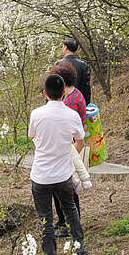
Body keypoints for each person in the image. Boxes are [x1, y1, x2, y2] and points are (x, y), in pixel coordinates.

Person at [29, 73, 88, 255]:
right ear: (64, 92)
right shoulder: (71, 115)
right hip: (63, 174)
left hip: (41, 175)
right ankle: (79, 247)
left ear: (45, 93)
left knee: (45, 217)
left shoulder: (36, 114)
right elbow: (80, 137)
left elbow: (33, 136)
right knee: (70, 209)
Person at [48, 62, 86, 237]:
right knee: (63, 190)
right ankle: (65, 221)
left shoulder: (70, 101)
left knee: (66, 192)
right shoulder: (77, 95)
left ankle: (69, 223)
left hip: (67, 150)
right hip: (68, 149)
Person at [57, 38, 93, 104]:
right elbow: (87, 89)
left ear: (65, 47)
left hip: (61, 105)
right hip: (78, 104)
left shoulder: (58, 64)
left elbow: (52, 87)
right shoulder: (83, 65)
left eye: (62, 46)